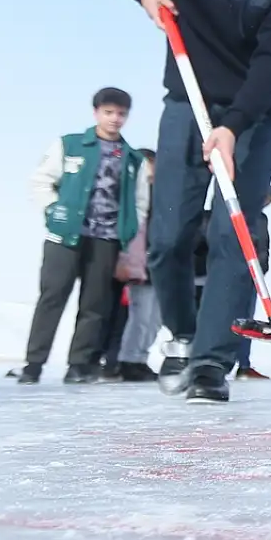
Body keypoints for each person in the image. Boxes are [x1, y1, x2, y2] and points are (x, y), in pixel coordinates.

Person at [84, 0, 271, 404]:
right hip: (186, 103)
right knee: (167, 239)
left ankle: (210, 363)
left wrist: (232, 128)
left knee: (232, 235)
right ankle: (183, 334)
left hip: (254, 117)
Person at [20, 88, 151, 384]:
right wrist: (53, 211)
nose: (115, 119)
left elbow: (140, 202)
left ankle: (79, 364)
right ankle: (33, 364)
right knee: (51, 298)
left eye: (121, 114)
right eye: (109, 112)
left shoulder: (133, 159)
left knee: (95, 304)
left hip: (105, 240)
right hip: (65, 238)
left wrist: (128, 232)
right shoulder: (70, 145)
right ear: (96, 113)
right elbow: (40, 180)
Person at [114, 149, 162, 381]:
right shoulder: (134, 195)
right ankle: (129, 359)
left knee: (155, 319)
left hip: (158, 264)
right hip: (140, 262)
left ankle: (140, 357)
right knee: (140, 316)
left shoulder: (162, 194)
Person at [234, 186, 271, 380]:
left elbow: (263, 248)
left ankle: (244, 365)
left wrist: (262, 269)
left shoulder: (262, 219)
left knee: (247, 321)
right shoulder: (234, 216)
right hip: (232, 274)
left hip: (253, 277)